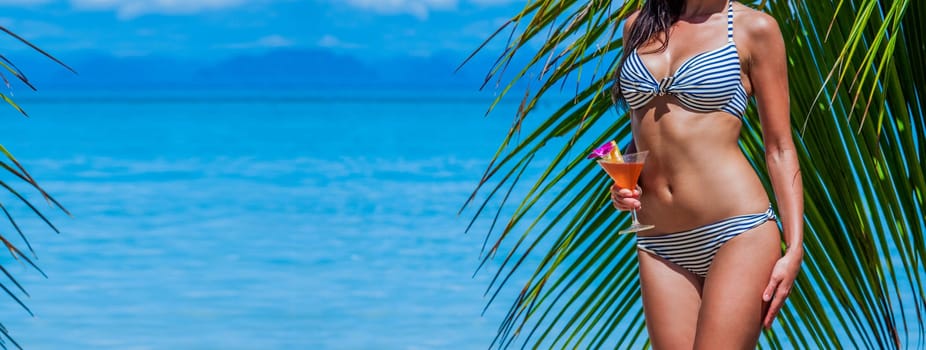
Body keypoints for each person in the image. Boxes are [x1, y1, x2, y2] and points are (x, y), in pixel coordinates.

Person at [608, 0, 804, 348]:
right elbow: (642, 128)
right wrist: (625, 184)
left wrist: (795, 249)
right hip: (658, 242)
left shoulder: (754, 28)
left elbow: (779, 148)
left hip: (738, 232)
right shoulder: (637, 26)